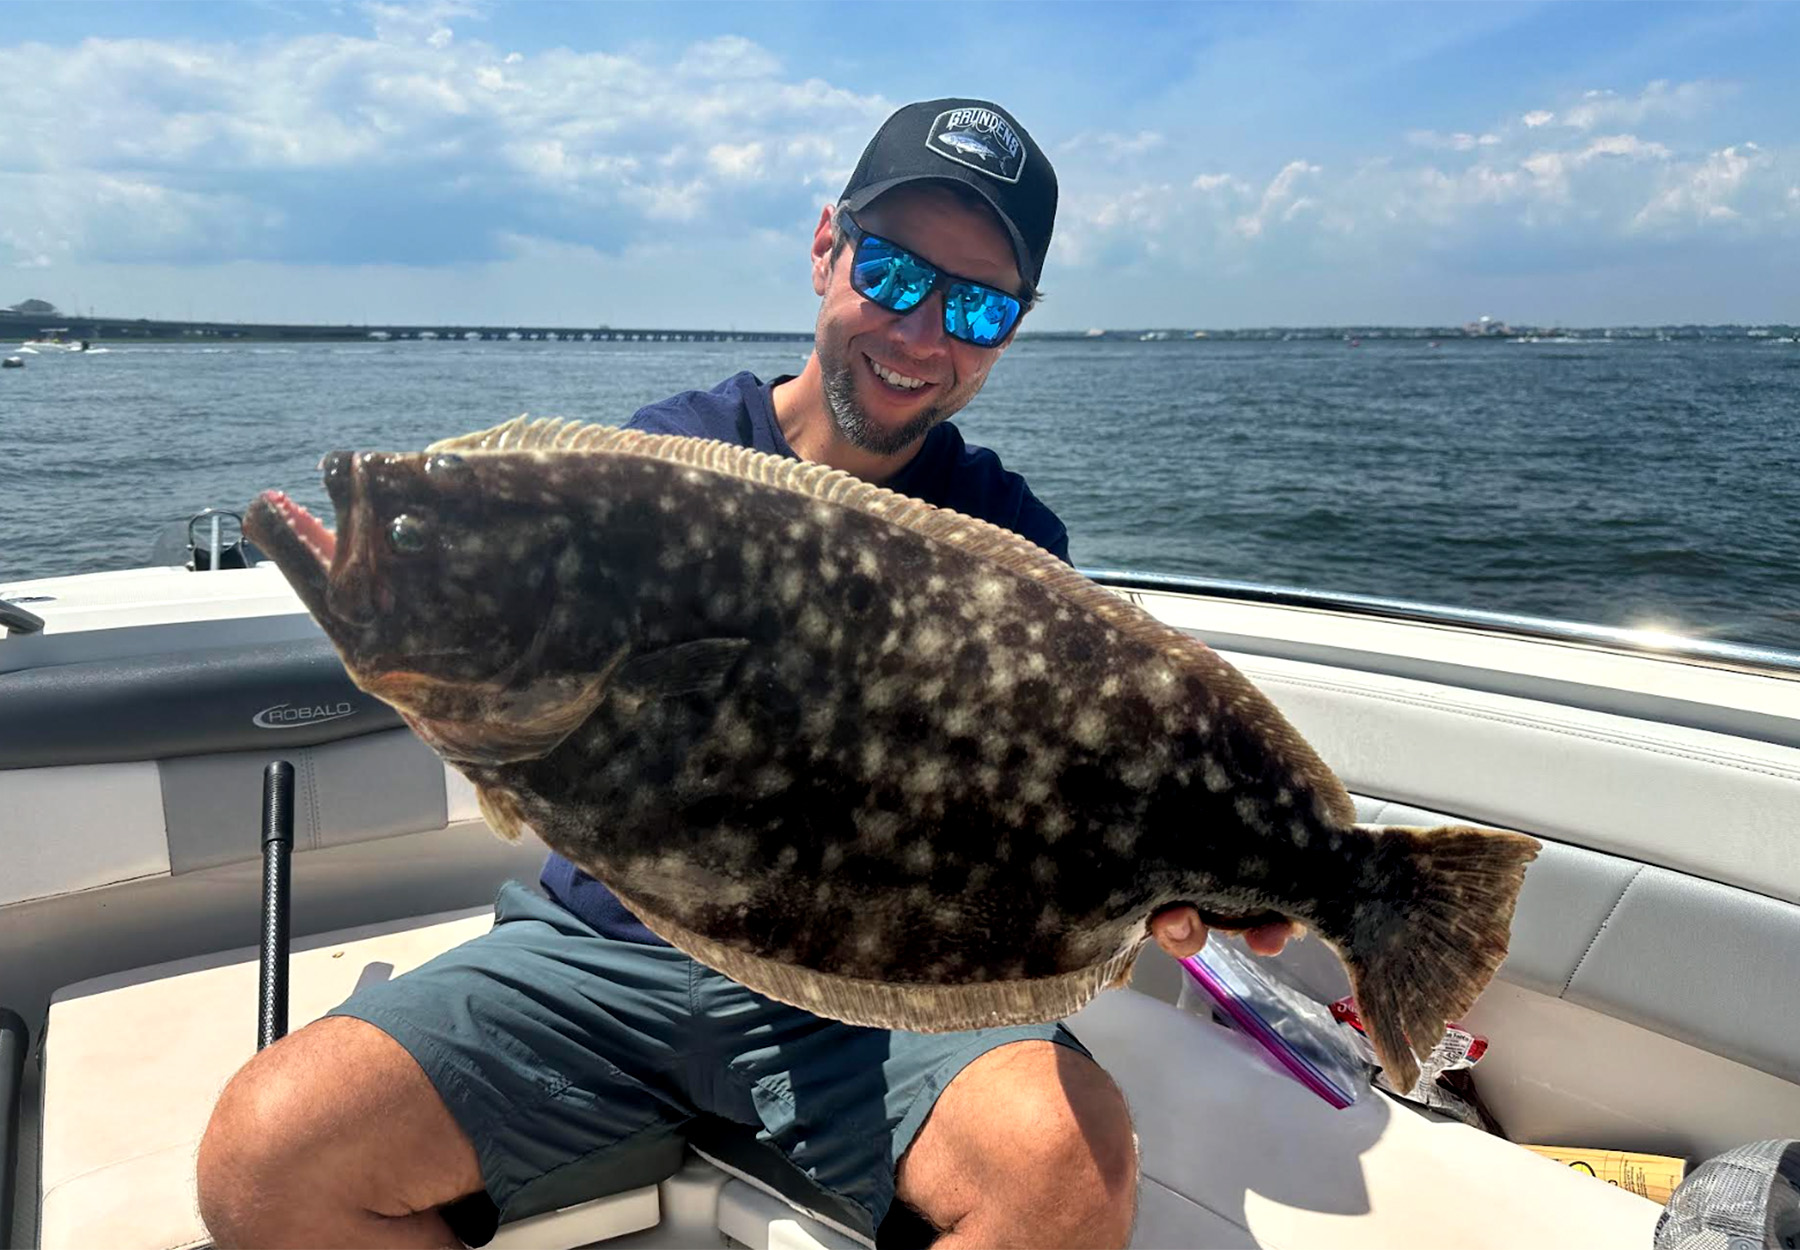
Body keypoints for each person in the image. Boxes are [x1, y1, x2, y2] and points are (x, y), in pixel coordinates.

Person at [196, 97, 1295, 1250]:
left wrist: (1166, 879)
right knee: (264, 1156)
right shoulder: (659, 473)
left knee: (1068, 1172)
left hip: (866, 994)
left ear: (1009, 330)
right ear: (828, 245)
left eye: (975, 303)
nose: (923, 332)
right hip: (604, 954)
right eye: (894, 269)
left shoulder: (1015, 542)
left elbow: (1047, 815)